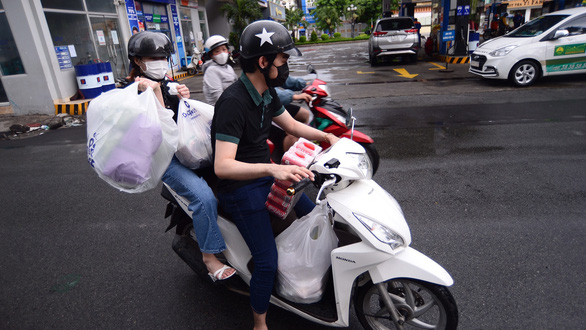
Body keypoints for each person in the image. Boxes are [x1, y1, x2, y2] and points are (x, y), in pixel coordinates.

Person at [211, 20, 339, 330]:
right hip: (239, 188)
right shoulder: (233, 103)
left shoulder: (266, 92)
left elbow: (293, 126)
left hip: (266, 176)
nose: (286, 66)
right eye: (283, 59)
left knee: (317, 217)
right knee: (267, 261)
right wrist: (273, 167)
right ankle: (259, 322)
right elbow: (222, 166)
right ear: (263, 61)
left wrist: (329, 138)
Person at [127, 31, 235, 282]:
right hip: (165, 158)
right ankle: (209, 258)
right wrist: (155, 93)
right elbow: (158, 129)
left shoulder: (165, 82)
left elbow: (183, 122)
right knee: (204, 197)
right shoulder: (132, 91)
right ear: (138, 61)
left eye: (163, 57)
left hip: (187, 149)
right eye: (153, 57)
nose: (160, 62)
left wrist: (184, 99)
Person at [270, 76, 312, 156]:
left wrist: (304, 84)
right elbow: (271, 93)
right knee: (291, 137)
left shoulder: (275, 68)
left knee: (304, 114)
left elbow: (283, 79)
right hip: (265, 110)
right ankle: (286, 159)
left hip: (274, 104)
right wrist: (293, 96)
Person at [202, 35, 238, 105]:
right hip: (221, 110)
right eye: (217, 51)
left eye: (224, 49)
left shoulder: (228, 67)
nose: (222, 53)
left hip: (234, 105)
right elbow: (219, 97)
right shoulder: (211, 71)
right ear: (211, 55)